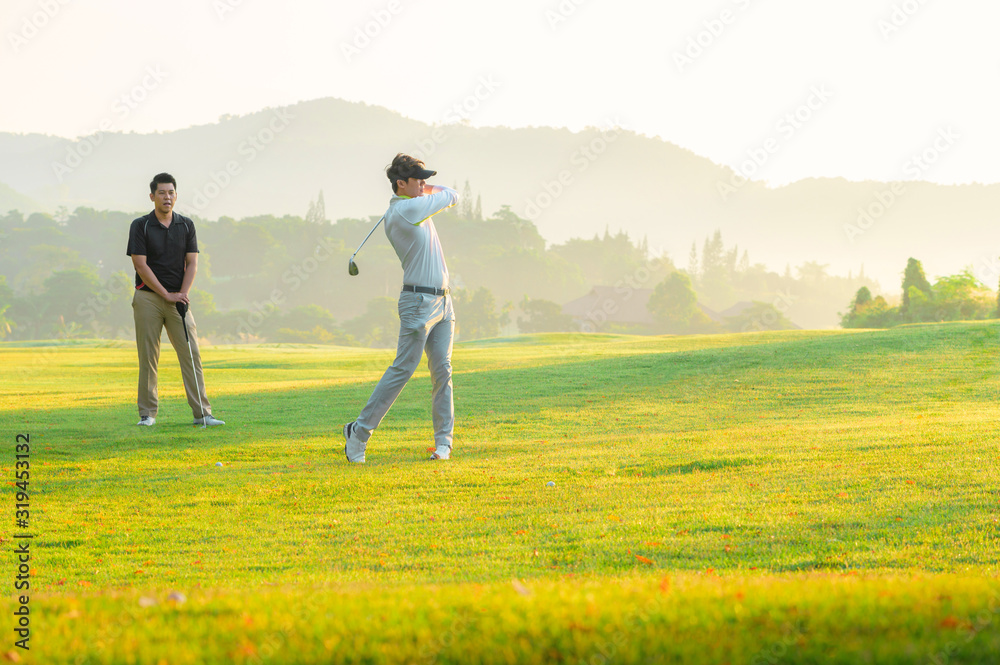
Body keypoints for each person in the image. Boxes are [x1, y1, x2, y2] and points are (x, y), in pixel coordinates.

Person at [343, 154, 459, 463]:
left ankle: (443, 444)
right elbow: (452, 194)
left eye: (424, 178)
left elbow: (446, 194)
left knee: (442, 371)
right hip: (419, 303)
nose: (423, 183)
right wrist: (430, 189)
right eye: (417, 179)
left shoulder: (412, 205)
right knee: (402, 369)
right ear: (400, 184)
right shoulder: (408, 209)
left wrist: (423, 185)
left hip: (443, 302)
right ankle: (359, 433)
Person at [126, 173, 224, 427]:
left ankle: (203, 413)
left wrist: (181, 293)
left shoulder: (186, 225)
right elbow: (140, 264)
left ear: (176, 196)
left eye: (171, 192)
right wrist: (165, 294)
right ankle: (147, 414)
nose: (167, 197)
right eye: (161, 193)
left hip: (178, 299)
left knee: (192, 354)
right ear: (152, 197)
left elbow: (192, 262)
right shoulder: (141, 225)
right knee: (148, 357)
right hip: (148, 298)